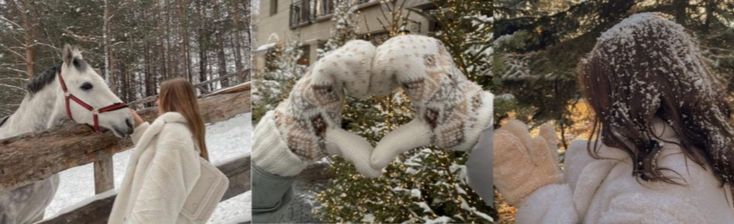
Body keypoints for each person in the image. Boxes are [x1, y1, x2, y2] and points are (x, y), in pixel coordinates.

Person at [493, 13, 734, 223]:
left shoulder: (660, 188)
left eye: (598, 90)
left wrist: (537, 195)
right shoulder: (700, 159)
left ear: (624, 95)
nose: (595, 105)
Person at [108, 78, 211, 224]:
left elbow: (155, 205)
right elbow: (157, 154)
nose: (157, 102)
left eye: (160, 97)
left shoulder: (175, 138)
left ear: (171, 100)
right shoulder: (182, 132)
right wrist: (140, 129)